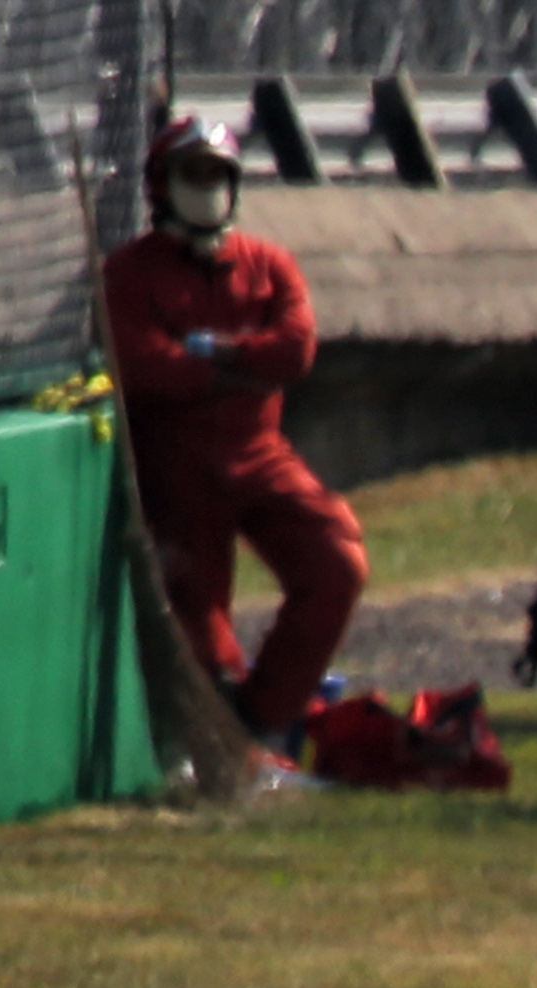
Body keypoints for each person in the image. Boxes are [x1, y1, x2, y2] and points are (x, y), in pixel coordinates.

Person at [98, 114, 367, 745]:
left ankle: (267, 718)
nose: (208, 186)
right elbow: (145, 365)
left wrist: (210, 357)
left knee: (337, 563)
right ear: (163, 184)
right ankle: (215, 736)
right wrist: (245, 362)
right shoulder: (128, 274)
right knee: (196, 627)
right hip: (173, 475)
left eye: (219, 174)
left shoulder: (269, 264)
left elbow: (295, 352)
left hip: (260, 457)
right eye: (194, 174)